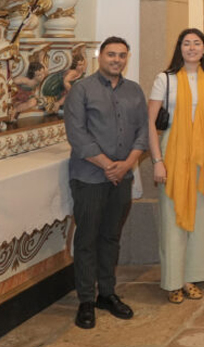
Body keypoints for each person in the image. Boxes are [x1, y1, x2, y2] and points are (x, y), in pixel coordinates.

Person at [63, 37, 146, 329]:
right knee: (87, 238)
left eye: (122, 55)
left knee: (111, 237)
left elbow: (143, 133)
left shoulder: (134, 91)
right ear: (100, 56)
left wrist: (125, 165)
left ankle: (107, 294)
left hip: (120, 177)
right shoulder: (82, 90)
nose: (117, 60)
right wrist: (107, 165)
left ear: (127, 58)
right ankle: (86, 299)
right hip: (89, 177)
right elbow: (77, 134)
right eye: (111, 54)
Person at [147, 28, 204, 304]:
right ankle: (172, 281)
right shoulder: (164, 79)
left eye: (197, 44)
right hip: (172, 153)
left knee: (200, 219)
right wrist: (157, 160)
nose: (192, 48)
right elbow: (150, 122)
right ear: (180, 48)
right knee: (173, 219)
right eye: (186, 43)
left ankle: (191, 277)